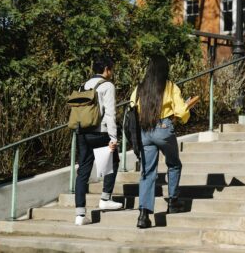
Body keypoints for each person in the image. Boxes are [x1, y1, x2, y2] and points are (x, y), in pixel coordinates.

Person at [130, 55, 192, 229]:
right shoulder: (170, 86)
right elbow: (181, 112)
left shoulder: (140, 87)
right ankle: (173, 202)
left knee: (147, 172)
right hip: (163, 128)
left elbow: (131, 106)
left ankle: (143, 215)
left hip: (144, 130)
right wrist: (185, 112)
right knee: (174, 164)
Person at [75, 55, 122, 226]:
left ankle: (80, 215)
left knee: (83, 172)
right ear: (107, 69)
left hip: (82, 132)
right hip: (100, 131)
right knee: (113, 161)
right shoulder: (107, 85)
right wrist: (113, 137)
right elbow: (110, 113)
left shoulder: (84, 85)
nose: (112, 72)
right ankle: (105, 198)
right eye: (112, 68)